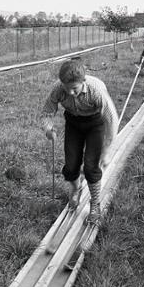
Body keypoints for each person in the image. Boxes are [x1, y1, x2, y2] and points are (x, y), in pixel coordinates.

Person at [41, 59, 118, 225]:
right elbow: (47, 111)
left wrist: (107, 151)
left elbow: (111, 120)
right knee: (70, 166)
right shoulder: (58, 88)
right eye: (66, 89)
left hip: (95, 124)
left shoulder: (96, 91)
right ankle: (75, 190)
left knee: (91, 167)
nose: (70, 93)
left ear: (83, 81)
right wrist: (48, 129)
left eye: (74, 89)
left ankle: (95, 204)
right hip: (74, 124)